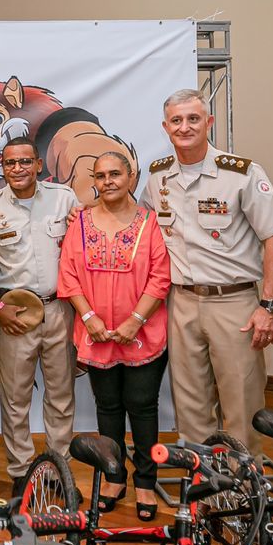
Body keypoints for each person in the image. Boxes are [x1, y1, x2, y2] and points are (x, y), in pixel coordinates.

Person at [140, 89, 273, 455]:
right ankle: (202, 480)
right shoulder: (158, 177)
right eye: (176, 120)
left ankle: (243, 479)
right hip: (181, 302)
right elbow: (140, 226)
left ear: (208, 122)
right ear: (165, 127)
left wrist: (269, 305)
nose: (185, 127)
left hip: (233, 303)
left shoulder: (241, 173)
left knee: (241, 399)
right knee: (190, 401)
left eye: (193, 119)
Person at [57, 151, 170, 519]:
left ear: (130, 176)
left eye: (115, 174)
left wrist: (135, 321)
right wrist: (88, 317)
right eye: (101, 175)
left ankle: (147, 482)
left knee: (142, 406)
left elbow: (160, 277)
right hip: (96, 334)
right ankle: (114, 476)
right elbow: (68, 274)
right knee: (107, 407)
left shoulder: (150, 222)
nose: (108, 181)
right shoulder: (80, 222)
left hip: (143, 333)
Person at [0, 136, 80, 499]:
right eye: (10, 163)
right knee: (15, 398)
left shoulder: (65, 199)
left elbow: (83, 247)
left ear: (38, 165)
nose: (18, 169)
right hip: (15, 313)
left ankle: (58, 469)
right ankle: (21, 472)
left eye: (25, 162)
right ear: (2, 168)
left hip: (59, 309)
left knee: (61, 395)